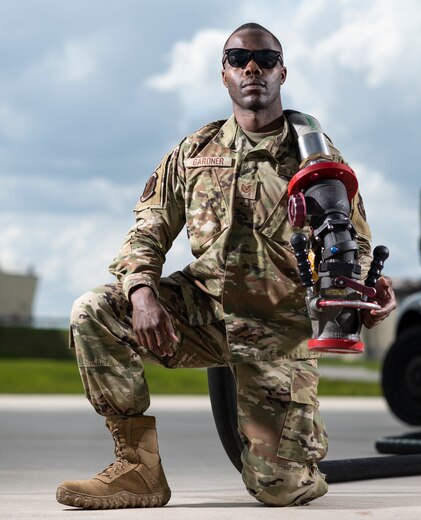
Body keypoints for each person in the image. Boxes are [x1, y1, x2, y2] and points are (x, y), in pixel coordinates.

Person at [56, 22, 396, 509]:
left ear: (283, 71)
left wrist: (367, 295)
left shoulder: (315, 159)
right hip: (203, 313)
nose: (251, 67)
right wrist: (141, 293)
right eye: (238, 59)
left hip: (278, 327)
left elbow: (353, 248)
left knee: (278, 490)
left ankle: (298, 454)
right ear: (224, 75)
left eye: (264, 59)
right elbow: (148, 228)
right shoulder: (195, 153)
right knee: (93, 310)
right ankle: (138, 470)